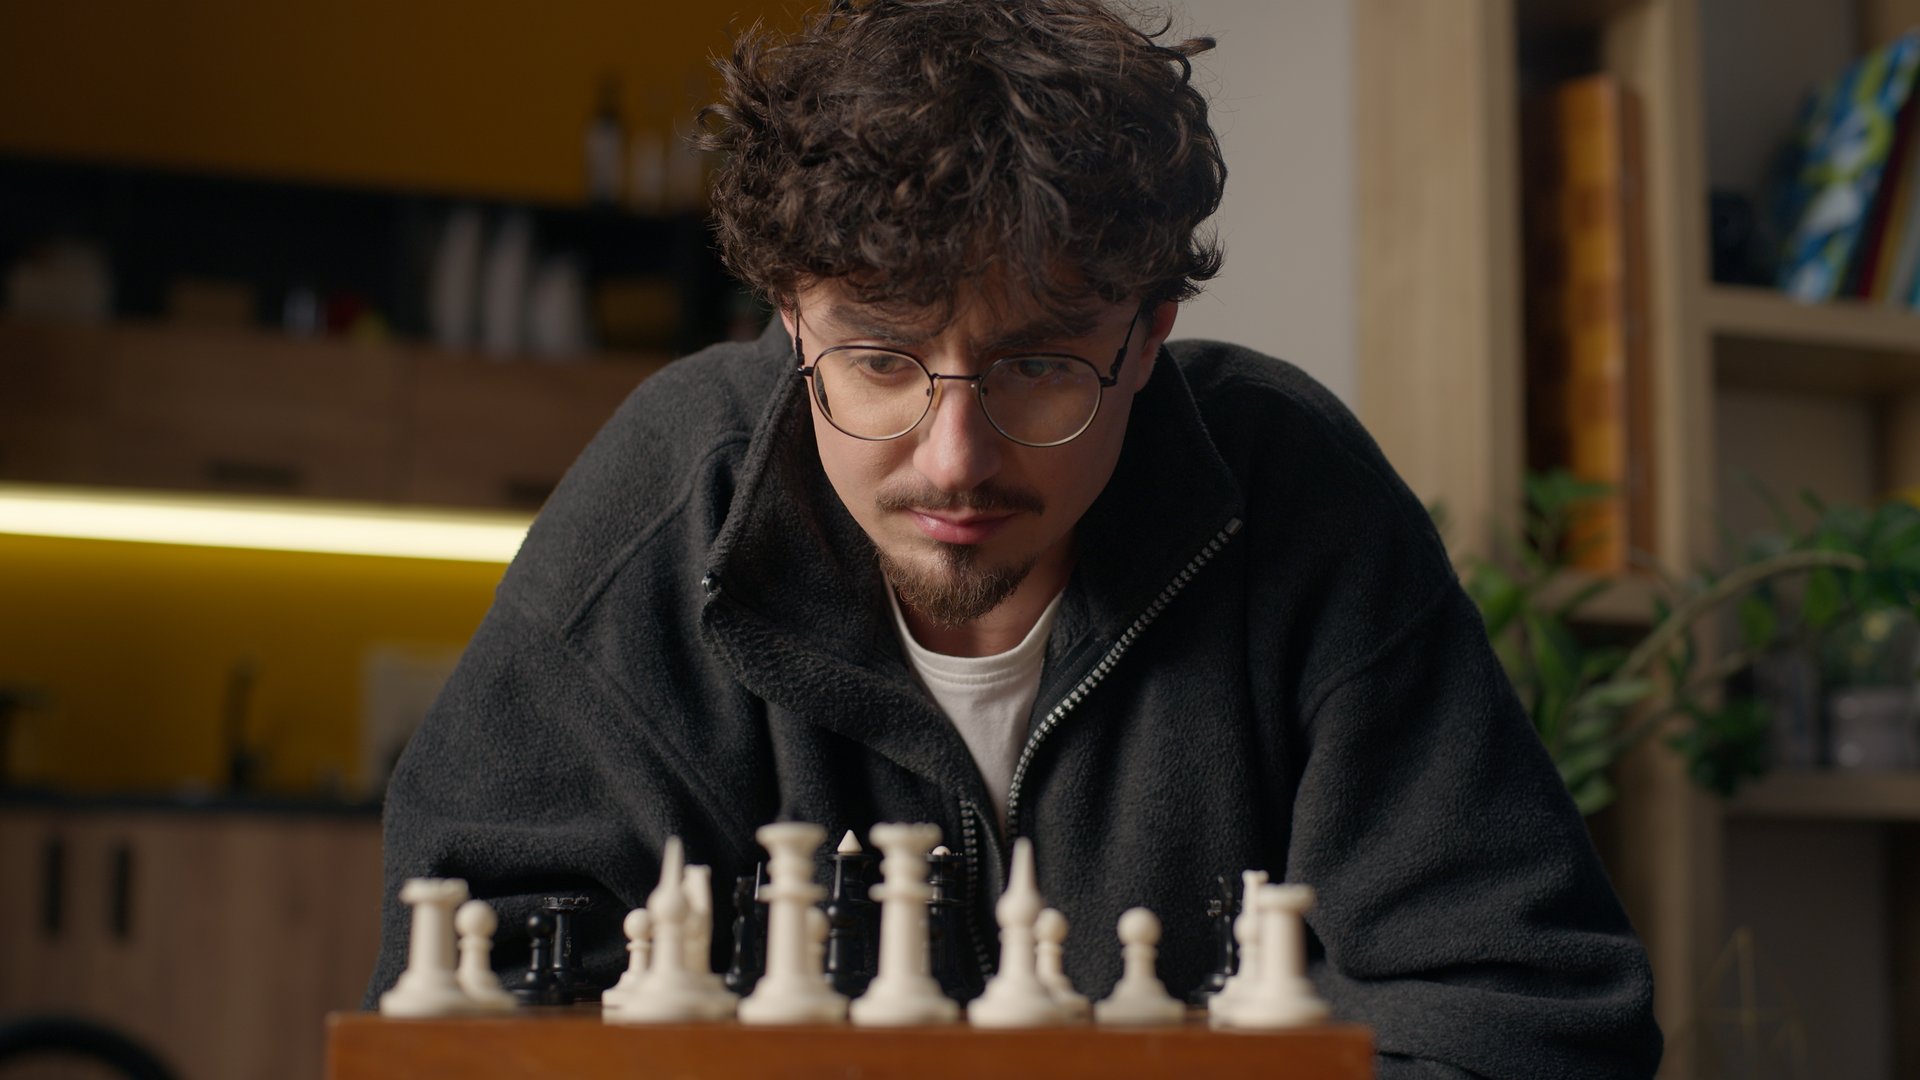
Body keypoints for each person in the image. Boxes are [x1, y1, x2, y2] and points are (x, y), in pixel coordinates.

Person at [368, 1, 1662, 1075]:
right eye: (879, 361)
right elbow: (472, 1016)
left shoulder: (1293, 487)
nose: (956, 458)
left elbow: (1539, 1022)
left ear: (1147, 335)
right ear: (789, 320)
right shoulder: (665, 495)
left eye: (1039, 365)